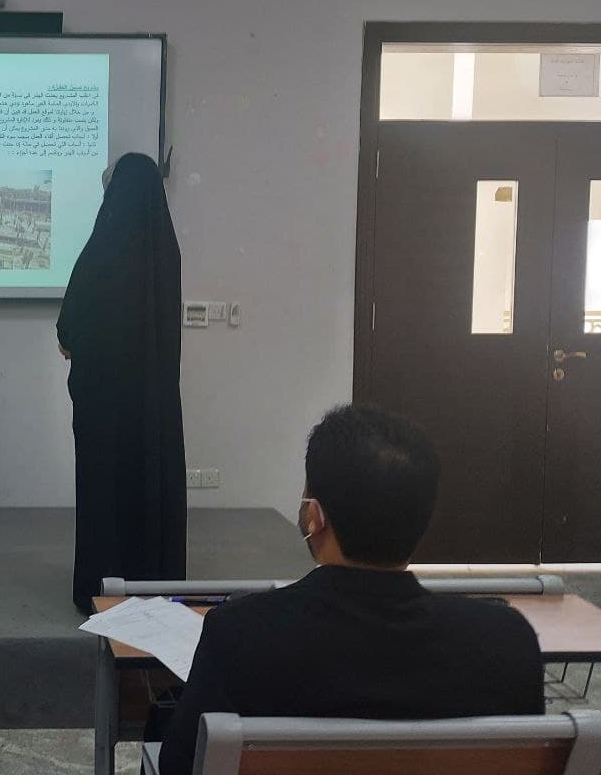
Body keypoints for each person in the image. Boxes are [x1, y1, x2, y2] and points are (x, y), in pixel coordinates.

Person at [158, 405, 544, 775]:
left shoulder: (237, 634)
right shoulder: (509, 641)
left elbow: (180, 765)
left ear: (314, 517)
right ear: (422, 521)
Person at [58, 152, 186, 614]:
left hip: (104, 408)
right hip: (153, 407)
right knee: (150, 482)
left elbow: (68, 329)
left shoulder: (101, 251)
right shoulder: (166, 251)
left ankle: (102, 587)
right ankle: (155, 585)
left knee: (104, 491)